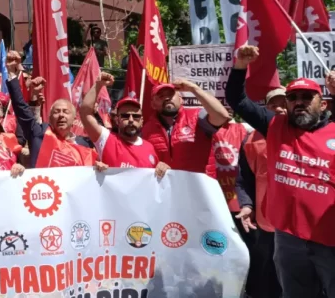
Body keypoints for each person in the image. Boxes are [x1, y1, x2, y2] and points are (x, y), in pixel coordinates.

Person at [226, 45, 335, 298]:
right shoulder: (275, 126)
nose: (300, 102)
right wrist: (240, 65)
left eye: (307, 97)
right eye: (293, 97)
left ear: (323, 104)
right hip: (289, 239)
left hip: (329, 237)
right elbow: (236, 99)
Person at [234, 87, 286, 298]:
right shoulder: (249, 140)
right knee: (267, 278)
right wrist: (247, 205)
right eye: (273, 105)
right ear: (265, 109)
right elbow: (243, 179)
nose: (279, 109)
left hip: (297, 227)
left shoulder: (303, 134)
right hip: (266, 224)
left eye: (283, 104)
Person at [6, 52, 95, 168]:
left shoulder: (84, 144)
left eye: (66, 112)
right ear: (50, 118)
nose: (61, 115)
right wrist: (11, 72)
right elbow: (21, 108)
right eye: (56, 112)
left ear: (74, 119)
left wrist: (99, 167)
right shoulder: (40, 134)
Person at [82, 73, 168, 177]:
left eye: (135, 116)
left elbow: (157, 179)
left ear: (142, 121)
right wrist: (98, 84)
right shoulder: (106, 139)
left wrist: (164, 169)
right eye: (125, 116)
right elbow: (85, 113)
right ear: (117, 120)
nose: (131, 120)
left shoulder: (150, 148)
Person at [141, 78, 230, 174]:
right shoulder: (145, 130)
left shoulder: (197, 117)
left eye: (170, 94)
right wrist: (156, 165)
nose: (167, 98)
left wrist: (194, 88)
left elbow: (222, 117)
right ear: (153, 104)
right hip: (165, 183)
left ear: (180, 99)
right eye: (161, 96)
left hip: (198, 182)